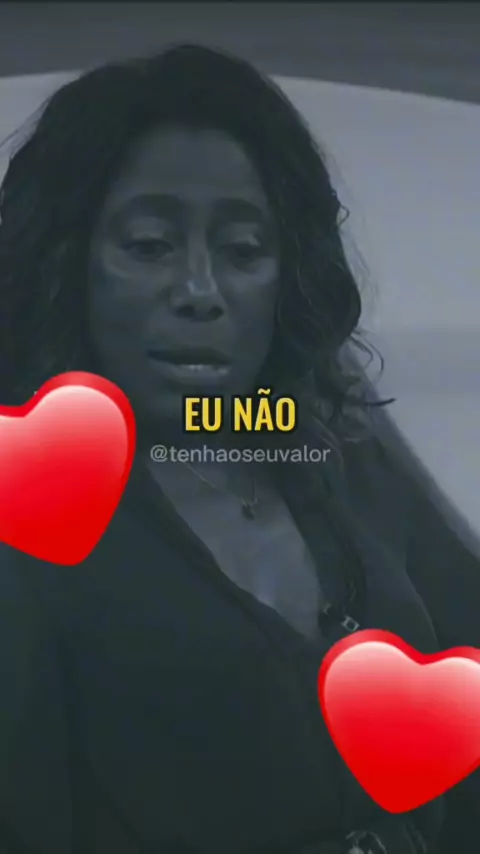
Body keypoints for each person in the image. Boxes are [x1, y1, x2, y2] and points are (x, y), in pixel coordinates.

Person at [0, 44, 478, 854]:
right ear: (66, 263)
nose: (201, 291)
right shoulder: (26, 515)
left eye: (245, 250)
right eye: (149, 244)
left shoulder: (334, 449)